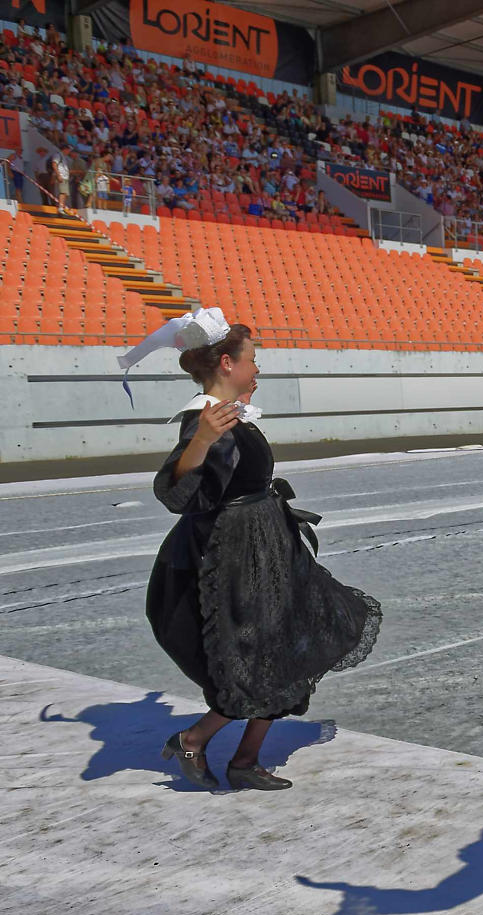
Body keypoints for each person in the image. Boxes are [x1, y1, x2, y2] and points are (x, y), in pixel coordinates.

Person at [132, 310, 381, 790]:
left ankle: (243, 759)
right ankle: (196, 739)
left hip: (265, 547)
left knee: (288, 646)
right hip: (236, 557)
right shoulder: (205, 420)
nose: (258, 366)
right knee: (257, 656)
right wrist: (202, 441)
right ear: (227, 363)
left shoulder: (229, 413)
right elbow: (179, 496)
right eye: (251, 358)